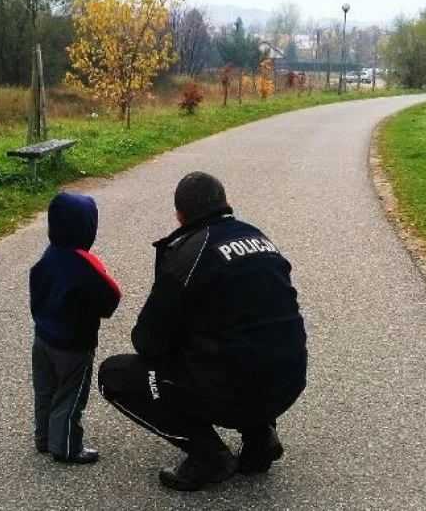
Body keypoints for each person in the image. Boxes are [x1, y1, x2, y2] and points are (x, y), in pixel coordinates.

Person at [98, 172, 307, 491]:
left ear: (179, 217)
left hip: (234, 391)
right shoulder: (259, 237)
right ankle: (260, 438)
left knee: (114, 375)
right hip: (289, 382)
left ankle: (208, 456)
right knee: (248, 339)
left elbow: (147, 342)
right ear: (228, 204)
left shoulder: (187, 253)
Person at [30, 192, 122, 464]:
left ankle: (44, 438)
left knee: (45, 391)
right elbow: (110, 297)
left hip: (43, 338)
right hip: (74, 346)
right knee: (70, 396)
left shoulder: (47, 256)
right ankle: (67, 447)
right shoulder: (84, 263)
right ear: (87, 228)